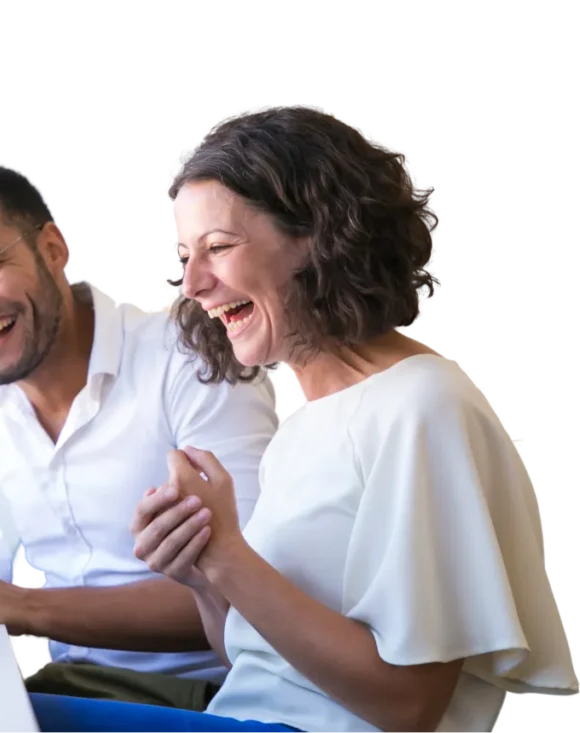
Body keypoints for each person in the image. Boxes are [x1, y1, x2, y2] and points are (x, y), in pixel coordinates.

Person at [29, 104, 580, 732]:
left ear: (319, 237)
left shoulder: (421, 406)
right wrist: (205, 572)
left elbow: (408, 707)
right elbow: (254, 663)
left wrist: (231, 560)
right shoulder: (308, 417)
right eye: (184, 255)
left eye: (219, 247)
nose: (193, 283)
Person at [0, 160, 280, 710]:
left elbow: (254, 590)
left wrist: (19, 606)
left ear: (54, 250)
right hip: (79, 690)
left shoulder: (190, 354)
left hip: (212, 697)